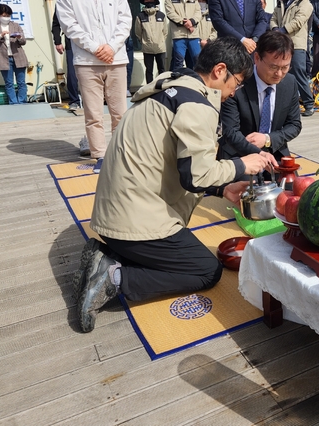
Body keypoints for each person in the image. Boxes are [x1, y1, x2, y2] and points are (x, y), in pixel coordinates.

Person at [74, 37, 271, 333]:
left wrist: (222, 189)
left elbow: (176, 167)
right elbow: (195, 176)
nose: (234, 92)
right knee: (206, 270)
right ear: (220, 70)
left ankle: (107, 256)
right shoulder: (197, 104)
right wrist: (244, 165)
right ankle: (114, 278)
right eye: (237, 82)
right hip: (131, 223)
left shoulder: (168, 88)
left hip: (110, 214)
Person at [56, 0, 131, 174]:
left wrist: (111, 46)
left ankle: (121, 155)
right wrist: (96, 47)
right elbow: (69, 25)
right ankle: (100, 156)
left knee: (120, 113)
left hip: (116, 59)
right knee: (93, 114)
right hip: (87, 62)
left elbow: (125, 21)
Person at [219, 31, 301, 171]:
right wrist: (258, 153)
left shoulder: (290, 82)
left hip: (275, 152)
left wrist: (268, 139)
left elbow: (294, 125)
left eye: (285, 67)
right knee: (248, 191)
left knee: (292, 190)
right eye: (273, 67)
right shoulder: (237, 82)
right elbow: (231, 132)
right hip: (239, 154)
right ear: (256, 58)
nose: (279, 74)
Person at [270, 0, 315, 117]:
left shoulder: (305, 2)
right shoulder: (282, 2)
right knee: (282, 74)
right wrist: (275, 28)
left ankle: (309, 103)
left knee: (298, 73)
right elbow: (273, 18)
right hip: (282, 44)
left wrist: (282, 30)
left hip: (297, 45)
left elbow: (299, 21)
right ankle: (286, 104)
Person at [0, 4, 28, 105]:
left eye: (8, 15)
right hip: (4, 58)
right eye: (4, 15)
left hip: (18, 56)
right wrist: (0, 35)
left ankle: (22, 102)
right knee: (9, 83)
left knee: (21, 82)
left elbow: (24, 41)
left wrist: (19, 37)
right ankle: (13, 103)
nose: (6, 17)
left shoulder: (15, 25)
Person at [164, 0, 201, 71]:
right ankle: (178, 83)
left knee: (198, 61)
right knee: (178, 61)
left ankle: (198, 83)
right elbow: (171, 14)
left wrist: (192, 22)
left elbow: (198, 13)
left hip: (194, 35)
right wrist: (186, 23)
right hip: (179, 36)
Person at [134, 0, 167, 84]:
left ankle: (162, 87)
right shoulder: (140, 16)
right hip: (147, 48)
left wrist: (160, 41)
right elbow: (138, 32)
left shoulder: (161, 15)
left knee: (162, 69)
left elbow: (165, 32)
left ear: (154, 0)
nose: (149, 1)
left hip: (160, 47)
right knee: (149, 70)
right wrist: (145, 41)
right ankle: (149, 88)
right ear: (144, 2)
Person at [51, 6, 80, 111]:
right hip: (71, 44)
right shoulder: (62, 3)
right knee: (72, 74)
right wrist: (58, 41)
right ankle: (74, 101)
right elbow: (56, 24)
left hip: (93, 42)